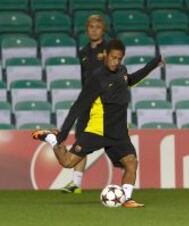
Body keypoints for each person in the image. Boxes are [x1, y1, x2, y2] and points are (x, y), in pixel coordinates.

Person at [32, 39, 163, 208]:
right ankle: (51, 139)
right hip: (97, 131)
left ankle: (126, 199)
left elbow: (130, 80)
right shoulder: (96, 79)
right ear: (105, 55)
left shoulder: (121, 71)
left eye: (119, 58)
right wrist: (63, 134)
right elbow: (77, 107)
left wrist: (153, 64)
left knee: (131, 162)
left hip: (118, 134)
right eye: (113, 58)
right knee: (67, 163)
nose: (116, 62)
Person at [61, 15, 107, 194]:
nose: (94, 30)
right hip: (88, 101)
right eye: (91, 27)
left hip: (105, 102)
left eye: (98, 27)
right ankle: (76, 184)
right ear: (87, 30)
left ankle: (127, 182)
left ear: (103, 30)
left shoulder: (110, 50)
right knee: (80, 140)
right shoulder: (83, 52)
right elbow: (84, 78)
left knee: (115, 142)